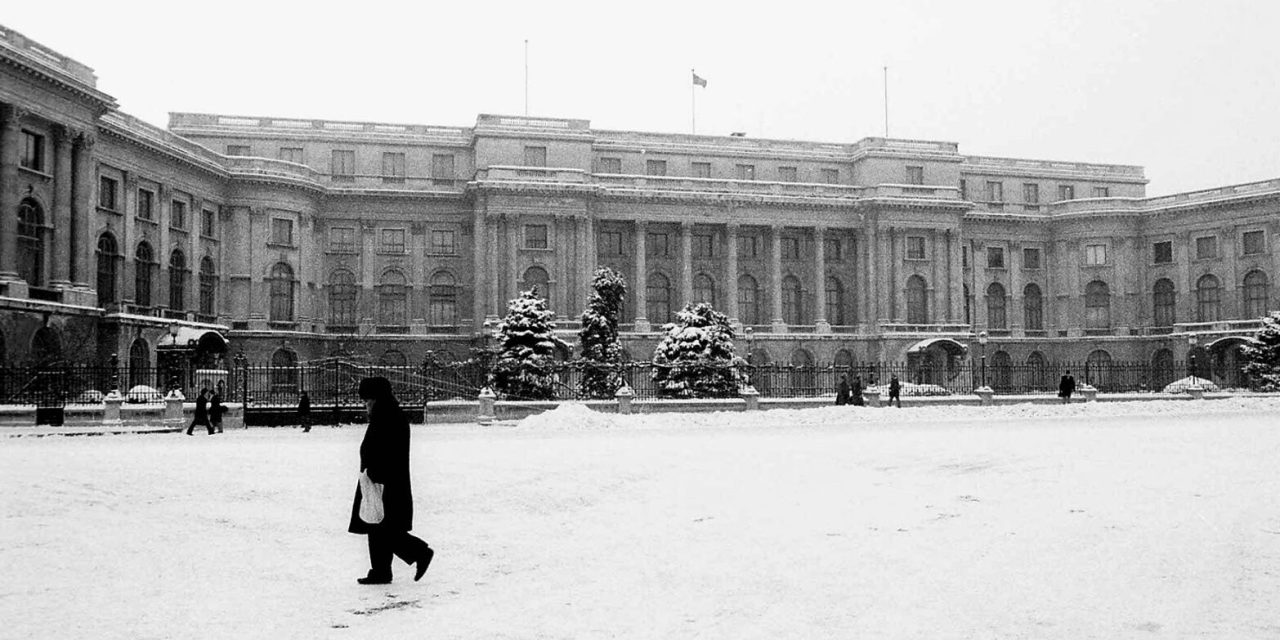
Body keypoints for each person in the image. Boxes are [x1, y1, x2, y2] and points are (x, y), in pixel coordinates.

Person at [349, 377, 433, 585]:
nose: (365, 404)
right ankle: (381, 571)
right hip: (381, 478)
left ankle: (420, 552)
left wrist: (375, 472)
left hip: (384, 480)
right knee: (376, 524)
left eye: (367, 399)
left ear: (377, 398)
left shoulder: (388, 416)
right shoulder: (386, 414)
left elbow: (387, 450)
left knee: (383, 527)